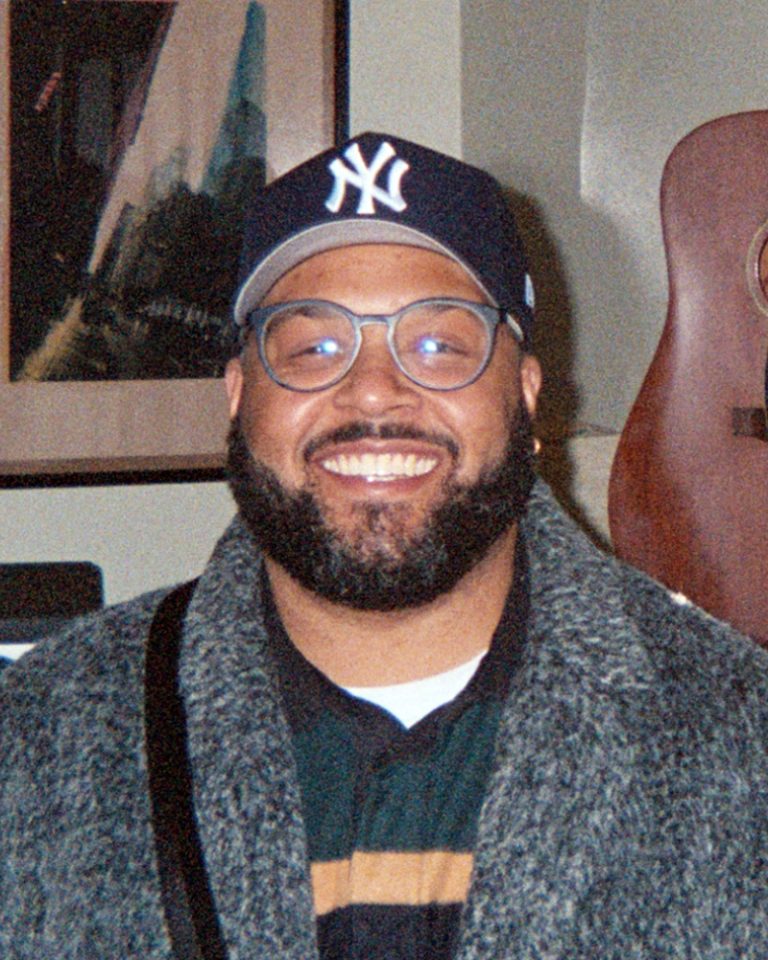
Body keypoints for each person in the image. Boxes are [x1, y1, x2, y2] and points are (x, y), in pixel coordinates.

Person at [2, 132, 768, 960]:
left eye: (438, 345)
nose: (372, 391)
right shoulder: (42, 738)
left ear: (526, 395)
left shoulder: (737, 737)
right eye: (314, 349)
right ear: (238, 396)